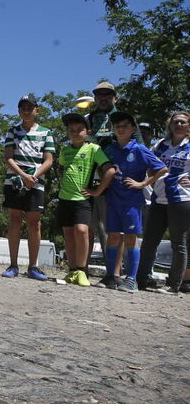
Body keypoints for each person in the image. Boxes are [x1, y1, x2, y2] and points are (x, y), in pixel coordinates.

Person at [96, 111, 167, 292]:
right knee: (112, 237)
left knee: (130, 238)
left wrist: (142, 183)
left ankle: (132, 279)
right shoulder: (110, 149)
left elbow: (161, 168)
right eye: (117, 126)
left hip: (131, 202)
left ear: (132, 129)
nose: (121, 130)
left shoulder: (139, 149)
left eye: (125, 126)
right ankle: (112, 276)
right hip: (113, 200)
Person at [85, 82, 142, 263]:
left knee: (112, 229)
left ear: (115, 98)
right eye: (99, 95)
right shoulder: (88, 118)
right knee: (88, 227)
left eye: (107, 95)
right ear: (95, 98)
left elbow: (140, 148)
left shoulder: (123, 119)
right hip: (87, 179)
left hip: (115, 181)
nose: (103, 98)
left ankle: (113, 272)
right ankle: (81, 268)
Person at [0, 95, 56, 281]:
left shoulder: (46, 133)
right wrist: (23, 176)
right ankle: (13, 264)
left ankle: (33, 266)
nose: (26, 110)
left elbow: (49, 160)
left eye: (30, 107)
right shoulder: (12, 131)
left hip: (36, 182)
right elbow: (8, 158)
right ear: (18, 111)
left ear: (37, 110)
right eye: (23, 107)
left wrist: (35, 176)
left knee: (34, 223)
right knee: (14, 220)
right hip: (15, 181)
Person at [56, 113, 115, 287]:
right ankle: (72, 270)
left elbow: (109, 170)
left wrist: (97, 191)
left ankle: (82, 270)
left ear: (87, 131)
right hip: (64, 198)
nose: (75, 132)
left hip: (82, 198)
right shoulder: (65, 150)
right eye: (71, 129)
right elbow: (60, 168)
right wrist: (64, 180)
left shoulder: (93, 149)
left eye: (79, 129)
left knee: (82, 231)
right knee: (68, 234)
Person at [137, 110, 190, 293]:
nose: (179, 125)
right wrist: (150, 177)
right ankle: (141, 279)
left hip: (181, 199)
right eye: (176, 122)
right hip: (158, 198)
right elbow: (149, 163)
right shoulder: (161, 145)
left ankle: (173, 285)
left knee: (178, 243)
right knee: (149, 241)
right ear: (170, 125)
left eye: (183, 122)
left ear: (188, 126)